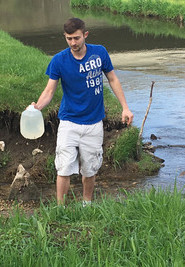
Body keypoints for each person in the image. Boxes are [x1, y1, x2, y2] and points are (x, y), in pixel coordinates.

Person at [31, 18, 134, 205]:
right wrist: (37, 107)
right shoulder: (59, 61)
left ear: (85, 35)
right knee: (63, 168)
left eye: (76, 38)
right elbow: (49, 91)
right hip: (69, 122)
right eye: (69, 39)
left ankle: (87, 204)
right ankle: (60, 208)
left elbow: (112, 79)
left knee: (90, 169)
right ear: (65, 37)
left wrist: (125, 108)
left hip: (94, 123)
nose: (73, 43)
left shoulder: (99, 53)